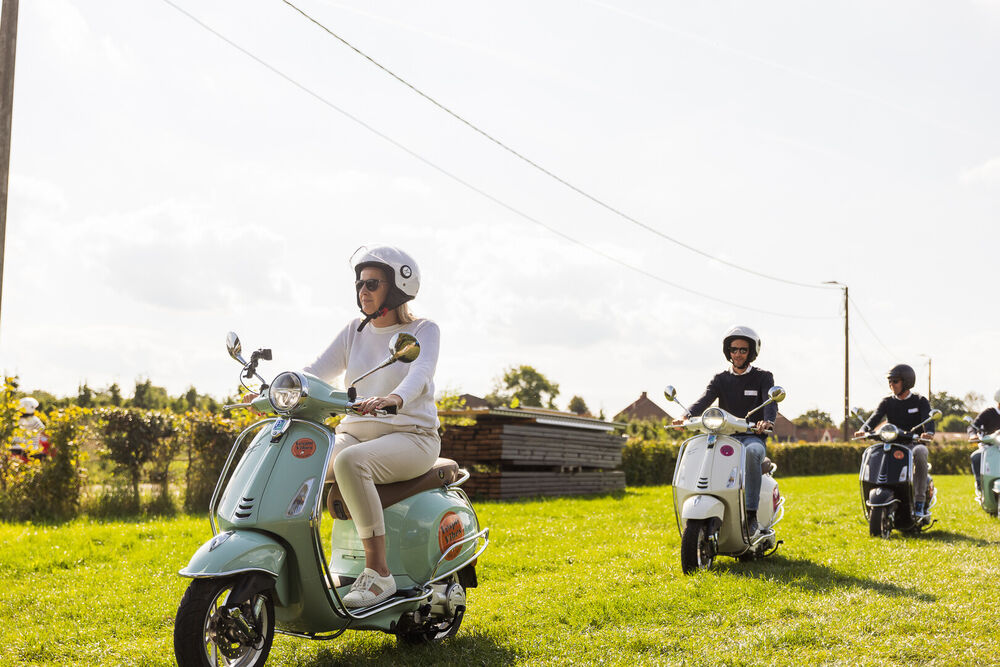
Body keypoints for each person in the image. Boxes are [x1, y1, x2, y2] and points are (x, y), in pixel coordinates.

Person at [303, 245, 441, 608]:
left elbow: (420, 372)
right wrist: (284, 388)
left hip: (411, 437)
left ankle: (379, 573)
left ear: (397, 288)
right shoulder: (354, 331)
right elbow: (316, 371)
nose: (362, 290)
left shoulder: (423, 330)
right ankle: (301, 561)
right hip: (354, 433)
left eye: (373, 283)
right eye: (359, 283)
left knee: (351, 463)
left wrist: (395, 398)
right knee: (305, 462)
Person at [672, 325, 776, 537]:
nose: (737, 354)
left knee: (754, 452)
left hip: (750, 436)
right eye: (733, 349)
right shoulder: (720, 379)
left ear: (752, 353)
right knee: (695, 450)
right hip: (721, 436)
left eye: (743, 350)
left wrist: (767, 421)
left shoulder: (763, 377)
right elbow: (704, 399)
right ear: (728, 352)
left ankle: (750, 514)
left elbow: (769, 402)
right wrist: (685, 416)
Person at [854, 364, 934, 517]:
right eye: (890, 382)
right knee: (871, 454)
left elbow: (927, 418)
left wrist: (928, 432)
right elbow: (875, 416)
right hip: (890, 443)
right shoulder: (887, 402)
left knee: (921, 451)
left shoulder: (919, 400)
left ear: (906, 382)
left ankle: (919, 501)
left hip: (913, 443)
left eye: (895, 381)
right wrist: (863, 430)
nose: (892, 385)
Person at [967, 389, 1000, 495]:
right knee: (976, 457)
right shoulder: (989, 413)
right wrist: (973, 435)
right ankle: (980, 486)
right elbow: (973, 426)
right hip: (989, 447)